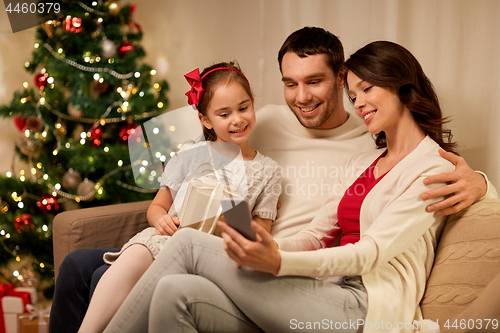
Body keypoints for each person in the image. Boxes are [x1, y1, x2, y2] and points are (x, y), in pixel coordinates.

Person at [48, 27, 495, 333]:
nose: (302, 96)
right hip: (280, 267)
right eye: (289, 83)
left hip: (357, 302)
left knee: (184, 249)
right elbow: (319, 231)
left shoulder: (396, 152)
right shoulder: (287, 128)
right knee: (168, 287)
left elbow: (372, 249)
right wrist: (265, 250)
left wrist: (482, 182)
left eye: (363, 90)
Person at [77, 62, 282, 333]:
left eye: (243, 108)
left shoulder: (268, 171)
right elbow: (158, 207)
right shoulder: (191, 154)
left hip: (215, 253)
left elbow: (260, 233)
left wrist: (233, 209)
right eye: (224, 114)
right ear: (206, 119)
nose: (237, 119)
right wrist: (161, 220)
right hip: (168, 239)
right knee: (140, 250)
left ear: (253, 104)